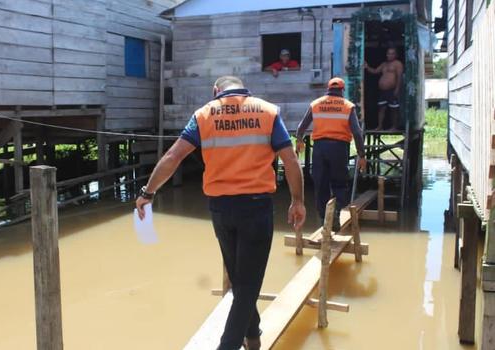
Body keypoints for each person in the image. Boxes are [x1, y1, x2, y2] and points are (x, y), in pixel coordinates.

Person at [136, 76, 306, 350]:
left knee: (241, 281)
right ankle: (228, 345)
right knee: (248, 286)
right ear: (242, 88)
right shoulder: (267, 111)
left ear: (216, 91)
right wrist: (297, 201)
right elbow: (290, 160)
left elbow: (173, 157)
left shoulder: (204, 114)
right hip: (255, 207)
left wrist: (148, 192)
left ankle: (253, 338)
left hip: (221, 210)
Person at [295, 77, 366, 231]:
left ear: (328, 89)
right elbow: (357, 133)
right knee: (340, 183)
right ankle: (335, 215)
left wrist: (299, 140)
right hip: (339, 148)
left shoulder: (316, 104)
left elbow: (301, 127)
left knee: (321, 184)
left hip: (320, 148)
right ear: (342, 90)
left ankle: (323, 221)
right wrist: (362, 155)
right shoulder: (348, 106)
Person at [364, 47, 404, 130]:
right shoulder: (384, 64)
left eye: (392, 53)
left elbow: (399, 77)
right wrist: (367, 67)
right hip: (383, 91)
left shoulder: (398, 64)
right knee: (381, 108)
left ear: (396, 55)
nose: (389, 55)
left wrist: (397, 89)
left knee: (394, 109)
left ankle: (394, 126)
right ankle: (380, 126)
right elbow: (375, 71)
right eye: (388, 53)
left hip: (392, 90)